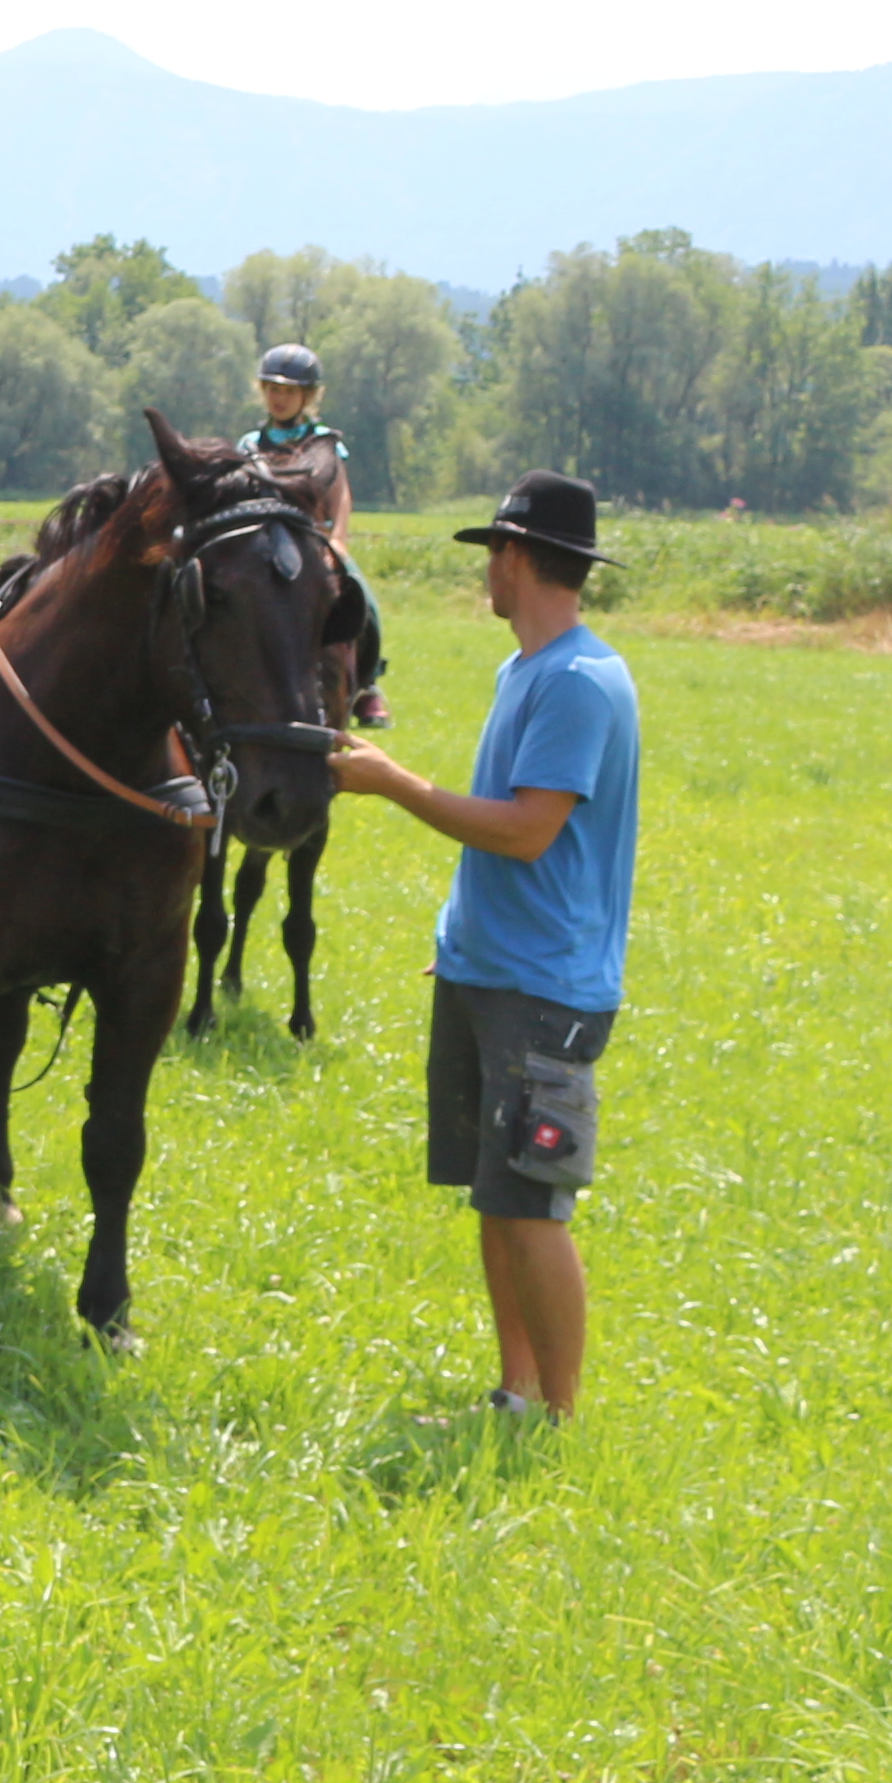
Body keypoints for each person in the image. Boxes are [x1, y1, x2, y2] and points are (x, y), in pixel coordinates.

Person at [330, 471, 640, 1472]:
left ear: (514, 557)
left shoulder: (579, 683)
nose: (488, 577)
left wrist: (392, 783)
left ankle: (557, 1420)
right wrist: (460, 948)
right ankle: (515, 1393)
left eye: (491, 559)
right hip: (487, 971)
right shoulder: (527, 672)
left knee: (533, 1203)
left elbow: (526, 830)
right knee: (495, 1195)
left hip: (544, 991)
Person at [244, 342, 393, 725]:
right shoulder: (248, 446)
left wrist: (339, 541)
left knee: (362, 599)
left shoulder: (324, 442)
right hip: (264, 543)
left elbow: (340, 496)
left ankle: (368, 686)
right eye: (273, 389)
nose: (279, 398)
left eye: (289, 391)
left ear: (307, 396)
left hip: (314, 541)